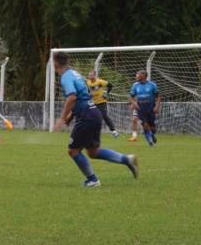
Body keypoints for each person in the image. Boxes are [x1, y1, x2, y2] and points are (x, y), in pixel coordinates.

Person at [52, 52, 138, 187]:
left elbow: (72, 97)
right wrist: (69, 117)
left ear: (55, 63)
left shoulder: (65, 77)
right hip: (93, 113)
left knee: (73, 151)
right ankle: (126, 159)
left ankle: (93, 180)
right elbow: (82, 97)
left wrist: (61, 118)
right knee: (93, 152)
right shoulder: (76, 74)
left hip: (86, 116)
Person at [130, 70, 161, 147]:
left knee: (153, 128)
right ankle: (150, 142)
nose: (136, 76)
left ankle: (152, 134)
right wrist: (134, 104)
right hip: (141, 108)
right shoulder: (135, 85)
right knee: (144, 124)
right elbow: (131, 96)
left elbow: (158, 97)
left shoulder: (153, 85)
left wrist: (157, 106)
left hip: (151, 107)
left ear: (143, 75)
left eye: (138, 74)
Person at [86, 69, 118, 138]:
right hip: (94, 103)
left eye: (91, 75)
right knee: (91, 116)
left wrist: (107, 93)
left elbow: (110, 85)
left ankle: (114, 131)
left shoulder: (100, 82)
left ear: (95, 75)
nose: (90, 76)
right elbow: (89, 89)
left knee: (104, 116)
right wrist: (89, 94)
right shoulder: (88, 82)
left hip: (101, 102)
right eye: (89, 75)